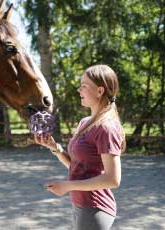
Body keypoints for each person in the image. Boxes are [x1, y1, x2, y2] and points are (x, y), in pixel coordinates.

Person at [35, 64, 126, 230]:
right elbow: (79, 168)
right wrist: (54, 147)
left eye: (84, 86)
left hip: (95, 208)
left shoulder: (107, 127)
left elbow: (113, 180)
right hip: (81, 206)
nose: (79, 90)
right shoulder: (85, 122)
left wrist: (67, 185)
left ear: (100, 91)